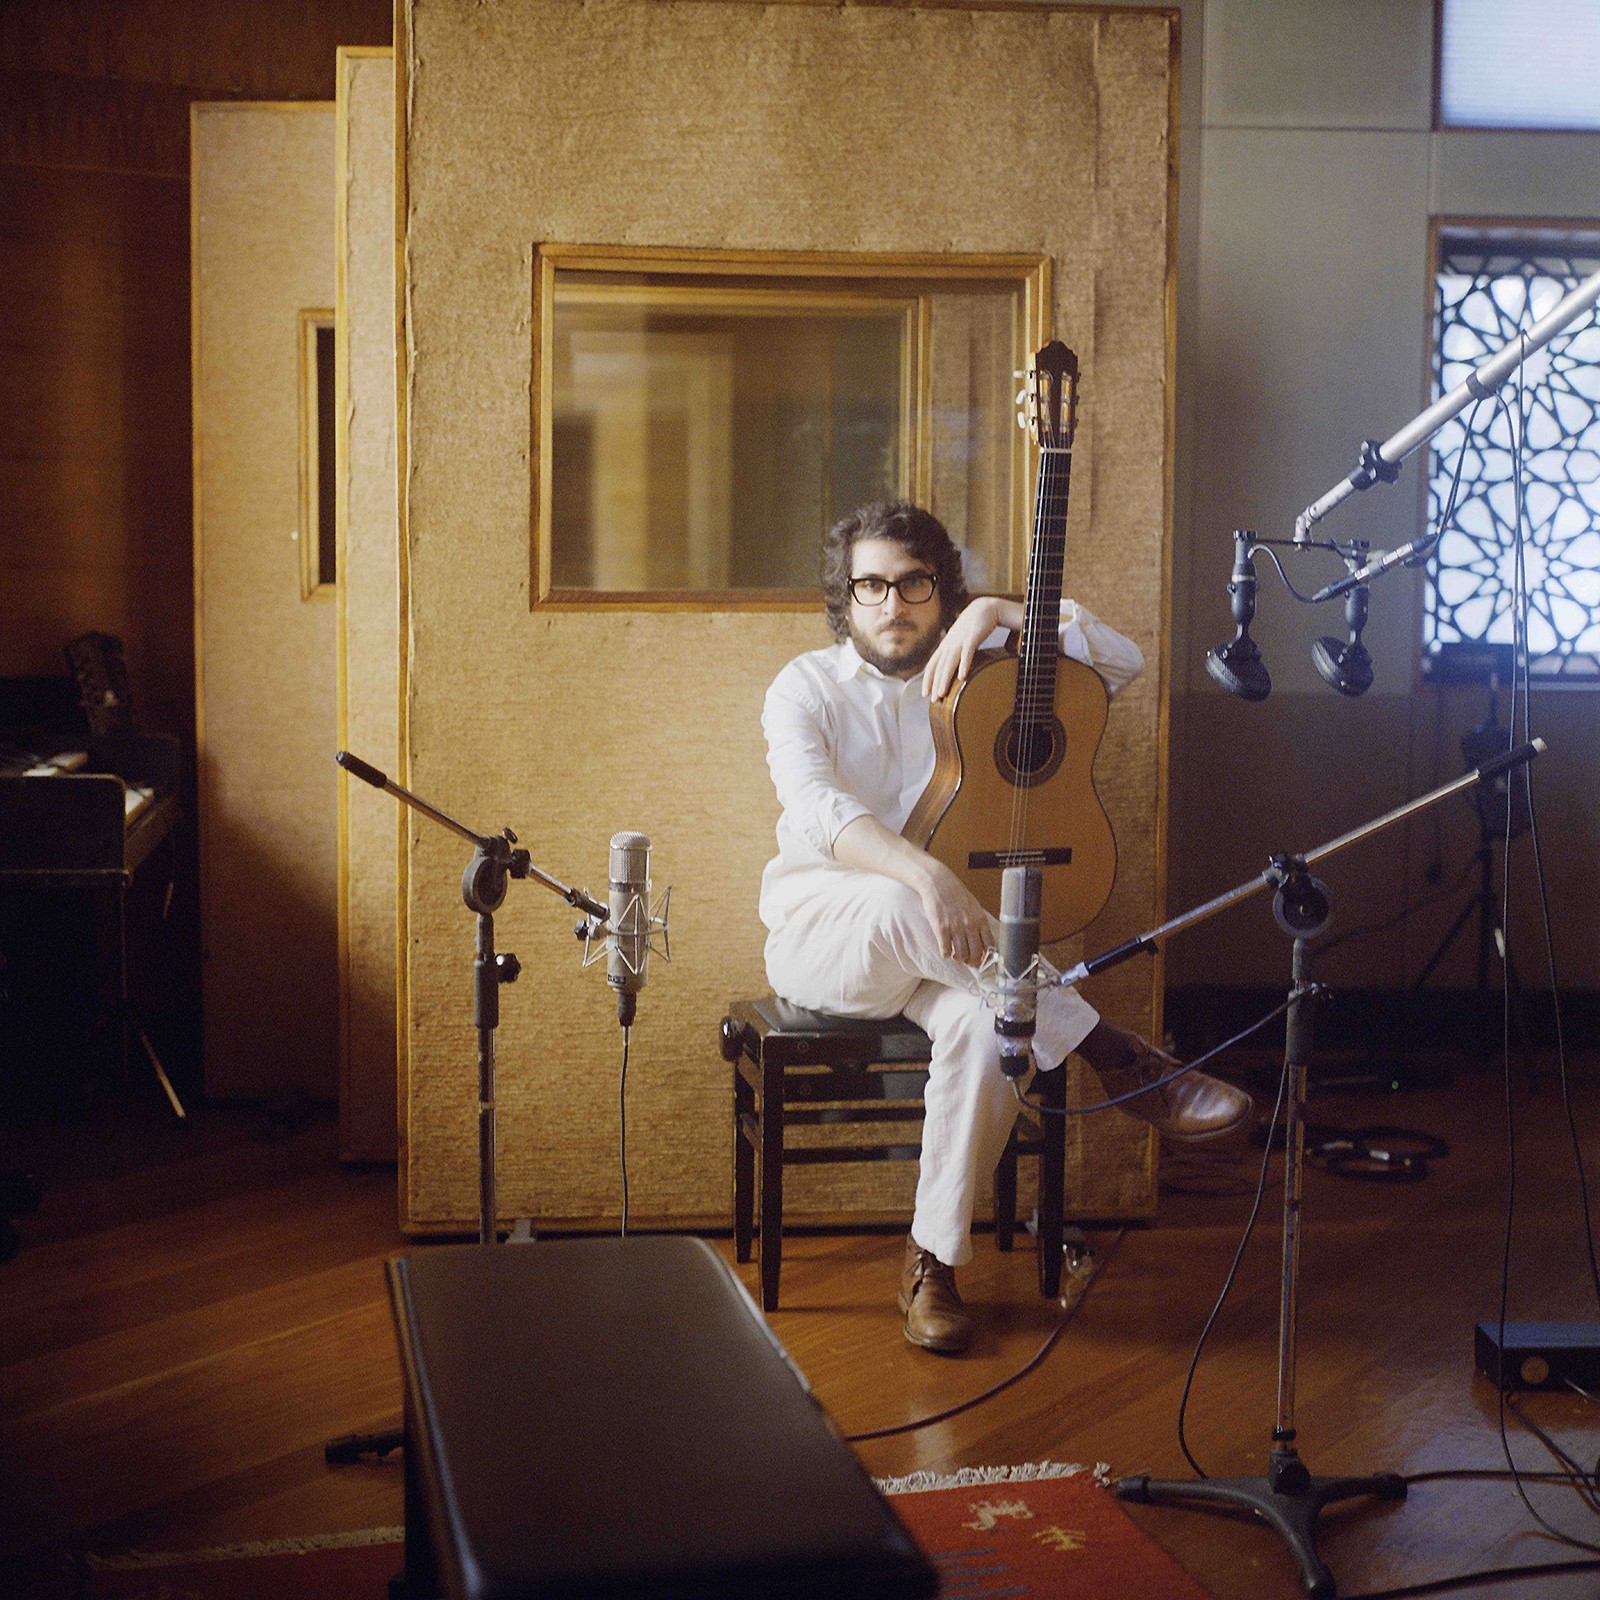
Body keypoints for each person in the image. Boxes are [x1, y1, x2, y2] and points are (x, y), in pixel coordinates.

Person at [759, 501, 1252, 1355]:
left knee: (995, 1033)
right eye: (870, 585)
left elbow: (1123, 662)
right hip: (826, 935)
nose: (892, 603)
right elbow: (816, 809)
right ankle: (1117, 1056)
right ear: (846, 598)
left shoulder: (978, 669)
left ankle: (931, 1262)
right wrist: (927, 873)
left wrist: (1002, 613)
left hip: (950, 957)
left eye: (914, 583)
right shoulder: (805, 687)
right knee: (901, 901)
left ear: (939, 590)